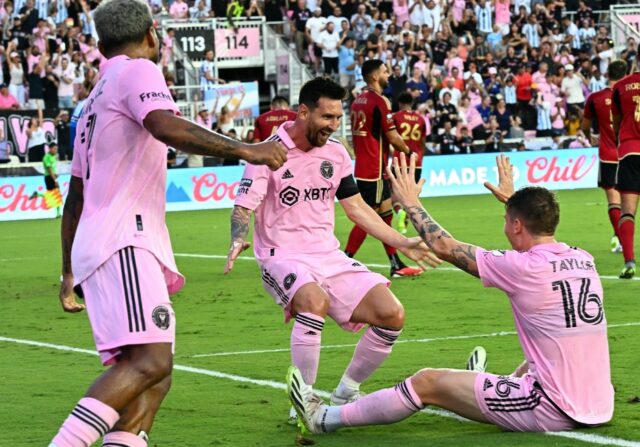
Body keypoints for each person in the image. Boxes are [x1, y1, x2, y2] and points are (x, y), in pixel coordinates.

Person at [48, 1, 287, 446]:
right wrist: (246, 149)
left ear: (100, 44)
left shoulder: (92, 100)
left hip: (107, 240)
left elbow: (75, 196)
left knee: (156, 376)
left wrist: (67, 272)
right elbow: (164, 125)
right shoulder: (137, 70)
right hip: (123, 239)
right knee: (150, 363)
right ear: (153, 33)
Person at [288, 153, 614, 436]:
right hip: (599, 403)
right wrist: (515, 203)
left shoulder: (522, 267)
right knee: (536, 360)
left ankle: (324, 418)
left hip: (552, 407)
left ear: (516, 226)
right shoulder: (582, 258)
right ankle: (485, 381)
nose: (505, 226)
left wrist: (411, 204)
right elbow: (539, 235)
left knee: (426, 382)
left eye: (507, 221)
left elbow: (445, 247)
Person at [226, 77, 440, 427]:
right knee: (314, 303)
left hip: (328, 255)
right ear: (304, 112)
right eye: (326, 117)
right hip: (282, 256)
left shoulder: (337, 153)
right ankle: (304, 399)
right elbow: (244, 206)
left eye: (337, 118)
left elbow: (356, 208)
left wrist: (402, 242)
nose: (333, 125)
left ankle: (346, 392)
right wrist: (238, 237)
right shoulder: (268, 152)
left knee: (391, 314)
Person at [345, 59, 421, 278]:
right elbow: (393, 136)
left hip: (367, 165)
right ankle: (343, 260)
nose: (389, 74)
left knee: (385, 215)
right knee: (367, 218)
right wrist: (408, 151)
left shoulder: (358, 99)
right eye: (385, 71)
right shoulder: (380, 101)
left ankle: (395, 264)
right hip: (373, 170)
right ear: (375, 76)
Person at [582, 60, 627, 255]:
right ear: (625, 74)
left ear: (607, 73)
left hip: (608, 155)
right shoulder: (630, 94)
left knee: (614, 202)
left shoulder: (595, 98)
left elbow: (585, 126)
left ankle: (621, 240)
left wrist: (589, 137)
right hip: (631, 153)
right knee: (630, 201)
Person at [611, 60, 640, 279]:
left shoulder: (621, 86)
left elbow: (617, 123)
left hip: (631, 151)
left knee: (627, 211)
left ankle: (629, 262)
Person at [392, 92, 426, 234]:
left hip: (400, 160)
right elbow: (423, 142)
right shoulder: (421, 119)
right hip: (416, 162)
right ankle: (405, 226)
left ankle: (400, 212)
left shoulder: (396, 117)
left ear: (400, 104)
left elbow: (392, 137)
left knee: (394, 194)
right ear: (412, 103)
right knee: (410, 195)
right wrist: (419, 155)